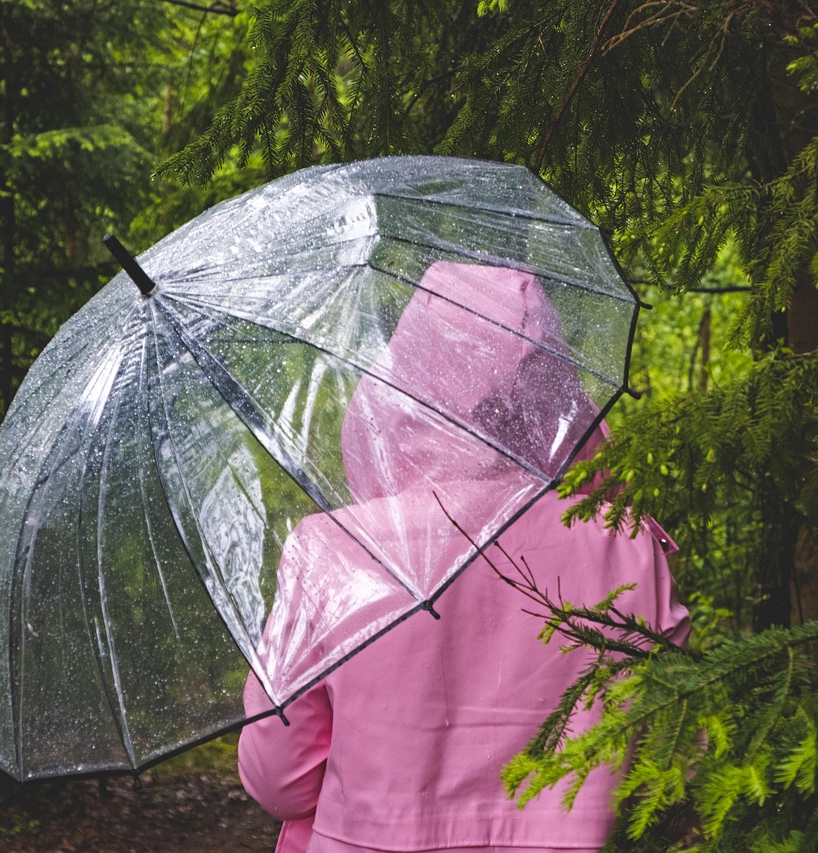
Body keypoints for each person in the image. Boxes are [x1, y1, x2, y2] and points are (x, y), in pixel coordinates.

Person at [238, 260, 689, 853]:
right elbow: (669, 751)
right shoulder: (625, 543)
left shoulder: (333, 552)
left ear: (408, 378)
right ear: (554, 384)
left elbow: (280, 781)